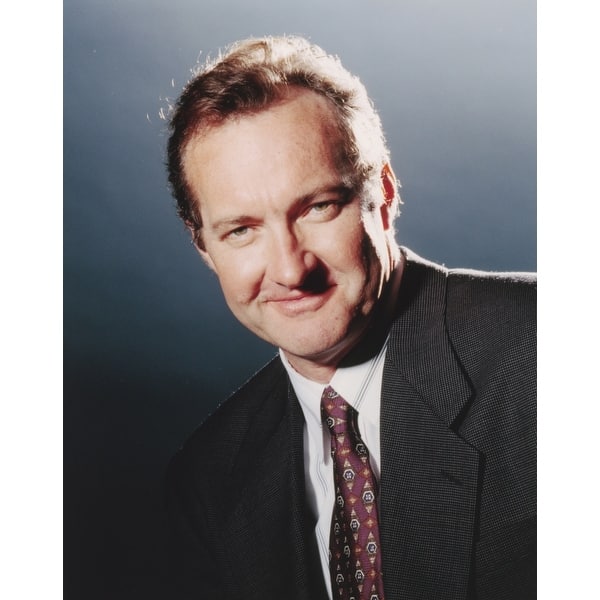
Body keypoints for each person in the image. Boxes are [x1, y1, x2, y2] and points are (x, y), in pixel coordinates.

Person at [164, 35, 536, 600]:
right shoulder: (208, 480)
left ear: (383, 194)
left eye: (318, 207)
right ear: (204, 247)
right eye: (241, 230)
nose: (290, 269)